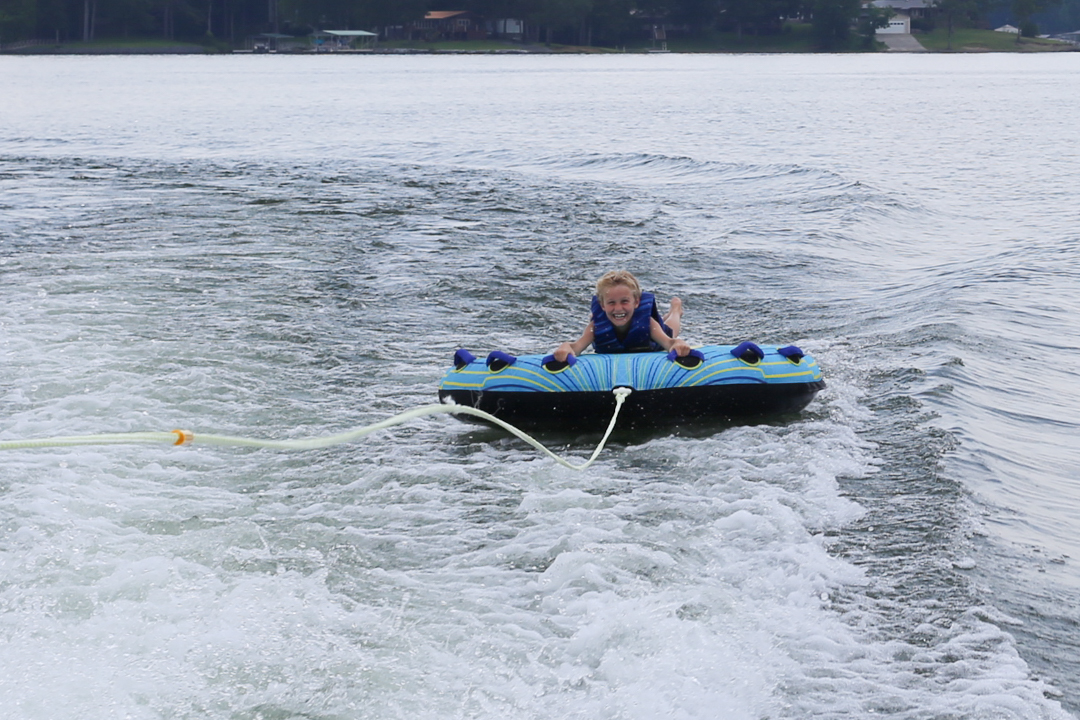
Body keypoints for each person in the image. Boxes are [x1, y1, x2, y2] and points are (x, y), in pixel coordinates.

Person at [552, 270, 691, 362]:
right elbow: (576, 347)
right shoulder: (595, 327)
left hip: (653, 341)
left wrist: (677, 343)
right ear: (602, 305)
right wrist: (566, 347)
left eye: (624, 301)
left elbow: (669, 342)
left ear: (636, 302)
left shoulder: (648, 324)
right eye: (611, 303)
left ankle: (675, 309)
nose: (618, 308)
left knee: (671, 330)